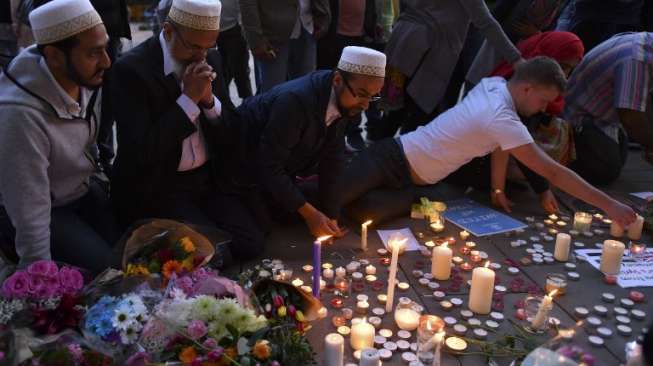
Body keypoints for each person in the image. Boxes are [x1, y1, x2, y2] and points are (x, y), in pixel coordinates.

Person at [340, 57, 636, 229]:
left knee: (364, 213)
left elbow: (498, 145)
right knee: (330, 199)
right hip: (391, 157)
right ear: (528, 88)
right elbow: (555, 172)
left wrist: (497, 188)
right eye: (543, 100)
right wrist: (610, 205)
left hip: (412, 183)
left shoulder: (494, 85)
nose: (545, 108)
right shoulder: (501, 117)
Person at [110, 0, 264, 261]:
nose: (201, 56)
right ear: (169, 31)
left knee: (252, 242)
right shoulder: (131, 70)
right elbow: (142, 152)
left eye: (209, 46)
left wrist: (208, 102)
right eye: (194, 46)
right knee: (210, 256)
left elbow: (233, 133)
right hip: (160, 186)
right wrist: (188, 101)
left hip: (205, 179)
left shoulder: (210, 57)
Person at [0, 0, 118, 273]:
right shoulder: (18, 114)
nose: (107, 62)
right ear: (53, 55)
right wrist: (40, 277)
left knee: (136, 250)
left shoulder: (82, 77)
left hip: (81, 191)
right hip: (43, 208)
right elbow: (29, 209)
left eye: (105, 48)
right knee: (106, 272)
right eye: (94, 53)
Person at [234, 46, 385, 238]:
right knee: (256, 235)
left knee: (309, 209)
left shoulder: (345, 97)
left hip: (283, 163)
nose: (365, 105)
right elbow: (268, 165)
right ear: (338, 80)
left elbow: (333, 160)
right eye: (363, 94)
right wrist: (310, 214)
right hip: (242, 168)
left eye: (373, 97)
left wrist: (331, 216)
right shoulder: (294, 102)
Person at [448, 31, 585, 213]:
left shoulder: (518, 85)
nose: (564, 74)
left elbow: (509, 140)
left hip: (496, 149)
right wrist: (541, 190)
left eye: (570, 69)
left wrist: (499, 188)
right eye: (563, 66)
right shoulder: (514, 91)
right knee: (542, 166)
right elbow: (513, 141)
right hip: (469, 163)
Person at [365, 0, 522, 141]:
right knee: (416, 119)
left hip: (405, 41)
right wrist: (515, 59)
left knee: (396, 112)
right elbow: (486, 22)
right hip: (428, 50)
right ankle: (394, 164)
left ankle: (374, 159)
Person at [563, 32, 653, 185]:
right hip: (578, 120)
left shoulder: (646, 43)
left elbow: (642, 100)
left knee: (614, 161)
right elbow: (630, 117)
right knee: (605, 171)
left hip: (603, 117)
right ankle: (564, 159)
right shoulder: (636, 60)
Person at [240, 0, 330, 93]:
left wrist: (324, 14)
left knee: (306, 93)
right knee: (273, 96)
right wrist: (255, 40)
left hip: (308, 27)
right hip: (272, 34)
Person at [217, 0, 252, 103]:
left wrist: (242, 26)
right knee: (220, 73)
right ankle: (225, 106)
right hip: (213, 31)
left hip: (234, 30)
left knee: (240, 71)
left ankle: (248, 104)